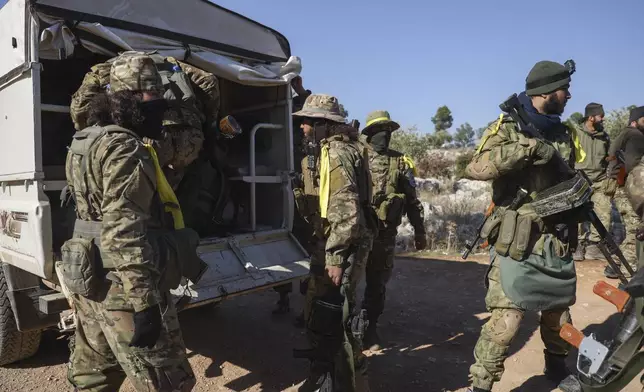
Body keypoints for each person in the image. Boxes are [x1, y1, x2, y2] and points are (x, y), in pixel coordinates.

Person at [63, 52, 197, 391]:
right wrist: (144, 303)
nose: (160, 103)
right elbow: (123, 230)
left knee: (94, 376)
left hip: (89, 274)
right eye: (153, 94)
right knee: (169, 382)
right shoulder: (125, 148)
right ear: (131, 98)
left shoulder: (86, 138)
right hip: (122, 283)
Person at [464, 60, 579, 392]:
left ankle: (557, 367)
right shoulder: (506, 128)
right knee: (507, 319)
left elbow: (569, 177)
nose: (569, 95)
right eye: (564, 89)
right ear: (546, 92)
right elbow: (477, 167)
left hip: (554, 238)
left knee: (559, 314)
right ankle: (481, 384)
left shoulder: (563, 132)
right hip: (516, 237)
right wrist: (527, 149)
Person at [292, 94, 374, 391]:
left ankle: (351, 382)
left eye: (308, 121)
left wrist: (336, 258)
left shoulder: (337, 154)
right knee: (318, 309)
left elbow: (346, 212)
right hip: (327, 242)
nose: (302, 127)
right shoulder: (329, 150)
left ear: (324, 125)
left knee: (340, 319)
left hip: (342, 245)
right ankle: (323, 375)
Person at [359, 110, 427, 350]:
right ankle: (342, 328)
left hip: (384, 234)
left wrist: (420, 231)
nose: (385, 136)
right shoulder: (357, 156)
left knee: (377, 283)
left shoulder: (400, 162)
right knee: (345, 282)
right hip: (357, 232)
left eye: (388, 131)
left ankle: (369, 328)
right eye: (380, 131)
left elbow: (412, 201)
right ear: (370, 134)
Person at [273, 76, 314, 316]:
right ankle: (282, 298)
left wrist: (300, 90)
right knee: (283, 250)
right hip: (288, 197)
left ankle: (306, 306)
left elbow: (314, 111)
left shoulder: (313, 142)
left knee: (308, 251)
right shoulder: (287, 129)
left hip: (308, 203)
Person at [604, 106, 644, 277]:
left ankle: (617, 263)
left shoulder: (625, 134)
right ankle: (626, 271)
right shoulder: (635, 135)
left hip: (620, 187)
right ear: (636, 121)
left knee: (631, 227)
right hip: (628, 188)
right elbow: (632, 166)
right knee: (636, 228)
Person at [573, 103, 611, 261]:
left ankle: (594, 247)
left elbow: (609, 157)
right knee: (578, 215)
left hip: (600, 181)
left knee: (604, 214)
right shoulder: (575, 133)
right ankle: (578, 245)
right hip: (581, 180)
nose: (603, 118)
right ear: (591, 117)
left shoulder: (604, 136)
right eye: (600, 115)